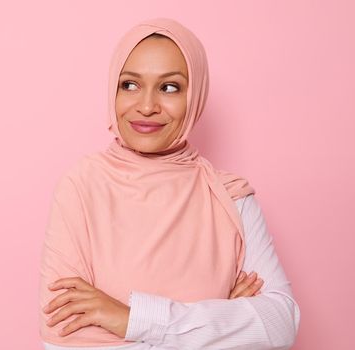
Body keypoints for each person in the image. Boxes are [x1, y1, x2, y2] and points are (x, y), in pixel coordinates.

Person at [38, 17, 300, 349]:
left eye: (169, 87)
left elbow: (280, 323)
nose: (146, 106)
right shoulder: (81, 188)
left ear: (196, 96)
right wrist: (224, 321)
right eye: (129, 85)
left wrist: (130, 319)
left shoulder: (230, 196)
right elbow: (63, 341)